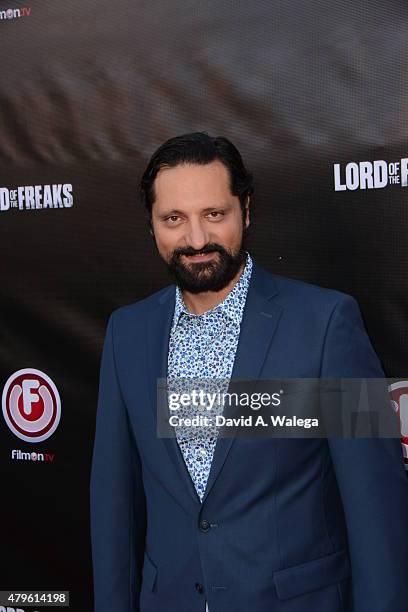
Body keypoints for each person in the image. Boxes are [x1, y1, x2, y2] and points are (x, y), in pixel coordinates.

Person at [90, 132, 408, 612]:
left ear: (246, 210)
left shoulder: (324, 325)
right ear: (152, 224)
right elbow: (114, 505)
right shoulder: (127, 333)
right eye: (174, 218)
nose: (196, 239)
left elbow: (376, 512)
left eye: (214, 215)